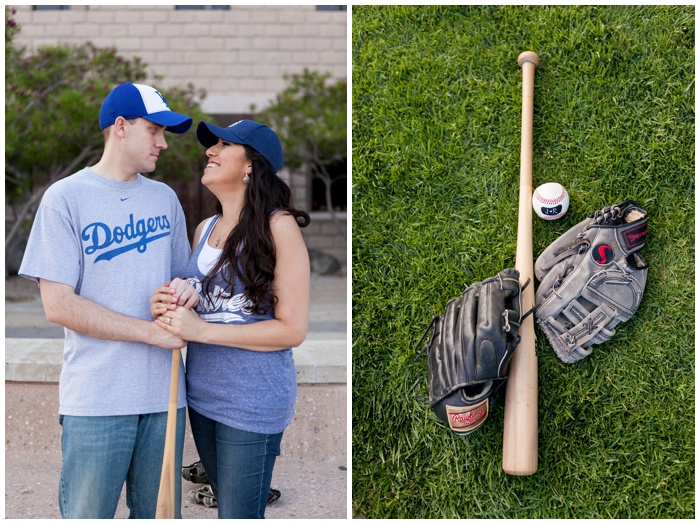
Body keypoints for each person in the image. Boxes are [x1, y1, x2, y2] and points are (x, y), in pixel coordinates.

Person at [18, 82, 198, 519]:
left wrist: (186, 291)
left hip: (164, 398)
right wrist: (150, 334)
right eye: (155, 130)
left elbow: (182, 279)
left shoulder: (165, 199)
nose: (162, 143)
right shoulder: (65, 198)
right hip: (98, 400)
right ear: (120, 127)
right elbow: (59, 304)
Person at [150, 119, 311, 518]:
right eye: (212, 145)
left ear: (251, 165)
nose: (210, 151)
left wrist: (202, 329)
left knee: (238, 513)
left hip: (252, 401)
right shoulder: (204, 229)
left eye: (224, 145)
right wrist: (175, 298)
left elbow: (292, 329)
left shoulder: (279, 227)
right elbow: (201, 297)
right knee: (227, 503)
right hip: (202, 397)